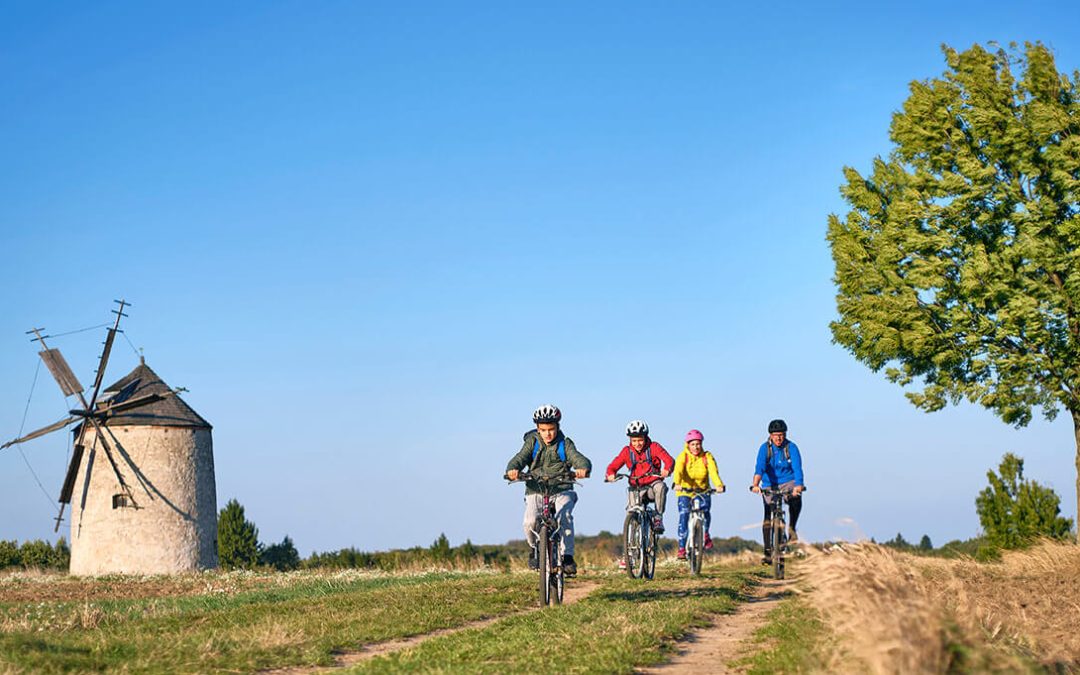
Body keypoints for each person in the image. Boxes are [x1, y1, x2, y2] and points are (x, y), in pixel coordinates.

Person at [505, 404, 591, 577]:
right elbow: (519, 458)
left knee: (564, 517)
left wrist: (582, 468)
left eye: (551, 429)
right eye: (543, 430)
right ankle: (534, 548)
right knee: (530, 521)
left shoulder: (564, 444)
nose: (547, 434)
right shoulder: (533, 442)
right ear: (537, 428)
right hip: (535, 488)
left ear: (557, 427)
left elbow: (578, 458)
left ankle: (567, 557)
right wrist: (512, 470)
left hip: (562, 487)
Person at [604, 420, 674, 534]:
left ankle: (658, 518)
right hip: (636, 487)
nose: (637, 444)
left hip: (652, 485)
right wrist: (610, 474)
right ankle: (631, 543)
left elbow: (669, 460)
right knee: (631, 513)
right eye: (634, 440)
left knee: (661, 487)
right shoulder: (627, 451)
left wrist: (667, 469)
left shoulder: (654, 447)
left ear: (645, 437)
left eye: (640, 440)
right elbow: (613, 466)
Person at [750, 419, 805, 565]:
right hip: (770, 484)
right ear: (770, 436)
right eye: (775, 435)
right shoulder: (765, 448)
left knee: (796, 500)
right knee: (768, 514)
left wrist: (799, 486)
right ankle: (768, 551)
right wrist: (755, 484)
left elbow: (797, 468)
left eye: (781, 435)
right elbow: (759, 467)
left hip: (788, 482)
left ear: (785, 435)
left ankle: (792, 529)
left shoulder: (791, 447)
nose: (778, 438)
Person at [672, 429, 725, 560]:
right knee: (684, 515)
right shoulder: (683, 456)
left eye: (698, 444)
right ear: (688, 445)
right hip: (685, 491)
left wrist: (719, 485)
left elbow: (713, 472)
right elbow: (678, 471)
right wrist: (676, 483)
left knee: (705, 511)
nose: (696, 447)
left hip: (703, 490)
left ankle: (705, 534)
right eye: (693, 444)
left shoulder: (707, 457)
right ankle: (681, 548)